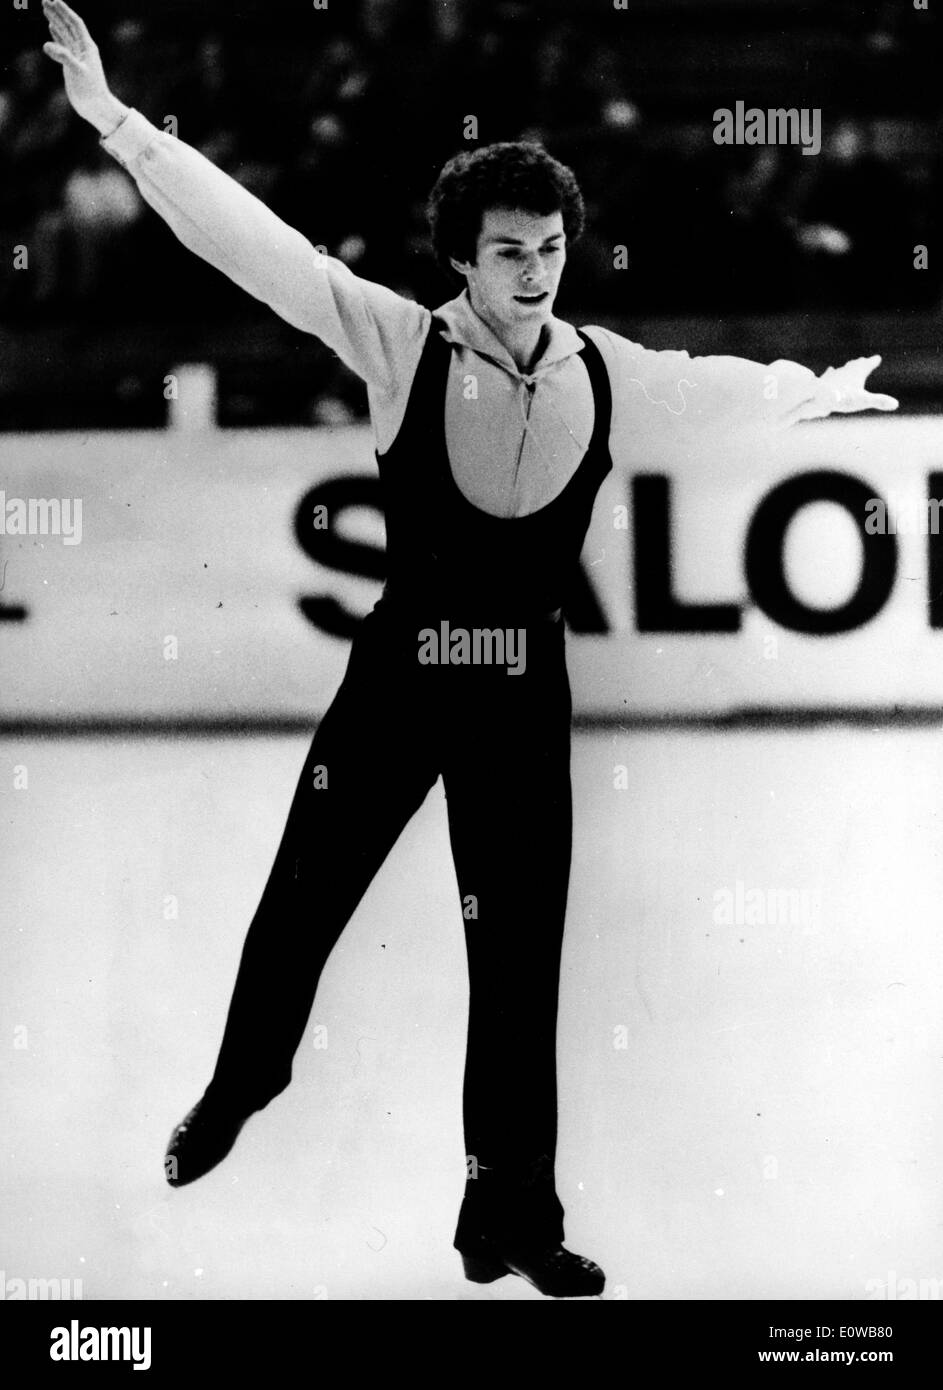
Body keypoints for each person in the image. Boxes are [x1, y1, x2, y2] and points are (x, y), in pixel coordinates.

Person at [42, 0, 898, 1300]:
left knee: (519, 965)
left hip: (519, 696)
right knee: (304, 900)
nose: (537, 269)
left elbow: (712, 381)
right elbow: (255, 246)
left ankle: (507, 1210)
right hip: (398, 682)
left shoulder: (601, 370)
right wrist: (120, 127)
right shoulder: (398, 341)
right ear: (463, 256)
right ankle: (242, 1079)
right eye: (511, 250)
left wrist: (808, 387)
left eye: (551, 247)